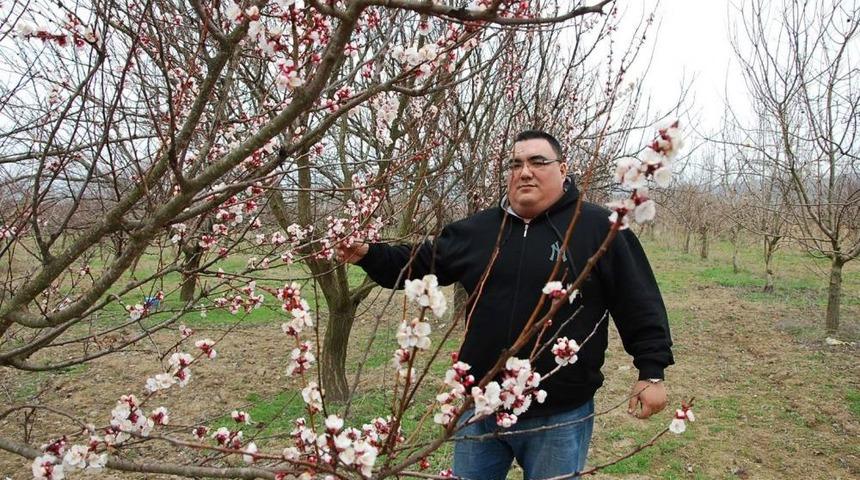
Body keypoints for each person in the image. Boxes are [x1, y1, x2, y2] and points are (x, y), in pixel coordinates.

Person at [338, 130, 674, 480]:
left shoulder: (599, 229)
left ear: (564, 169)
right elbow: (416, 265)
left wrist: (651, 371)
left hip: (559, 410)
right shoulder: (478, 231)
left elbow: (638, 301)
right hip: (480, 405)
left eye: (537, 161)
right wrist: (369, 254)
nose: (524, 171)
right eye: (516, 163)